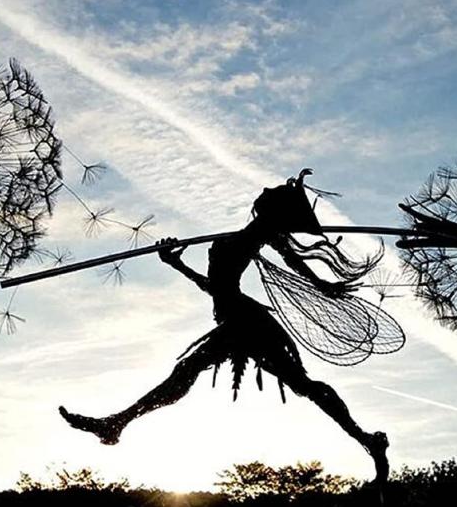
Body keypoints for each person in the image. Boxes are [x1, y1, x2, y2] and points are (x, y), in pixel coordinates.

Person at [59, 170, 391, 485]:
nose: (266, 190)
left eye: (273, 194)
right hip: (240, 321)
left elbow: (227, 283)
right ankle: (366, 439)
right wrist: (177, 264)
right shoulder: (245, 239)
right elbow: (218, 288)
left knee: (201, 375)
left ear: (273, 212)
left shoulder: (252, 237)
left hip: (246, 324)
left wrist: (177, 264)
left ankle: (117, 423)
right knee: (285, 384)